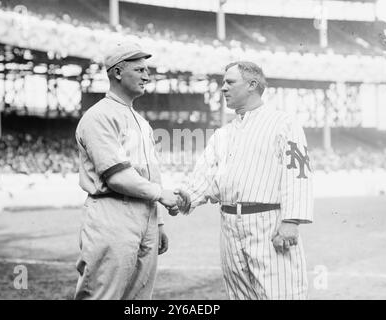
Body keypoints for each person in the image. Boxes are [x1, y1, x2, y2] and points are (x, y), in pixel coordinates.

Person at [180, 61, 313, 300]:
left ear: (252, 85)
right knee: (240, 295)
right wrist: (184, 197)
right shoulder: (222, 135)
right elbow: (205, 178)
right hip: (229, 225)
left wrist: (291, 220)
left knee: (281, 293)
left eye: (230, 82)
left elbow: (298, 173)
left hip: (268, 223)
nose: (223, 88)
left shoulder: (283, 123)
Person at [74, 41, 189, 300]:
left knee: (139, 299)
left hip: (144, 216)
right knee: (103, 294)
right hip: (112, 213)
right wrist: (160, 194)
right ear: (117, 72)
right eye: (139, 70)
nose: (146, 76)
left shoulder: (142, 122)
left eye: (146, 70)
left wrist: (158, 223)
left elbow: (151, 174)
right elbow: (116, 177)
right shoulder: (98, 116)